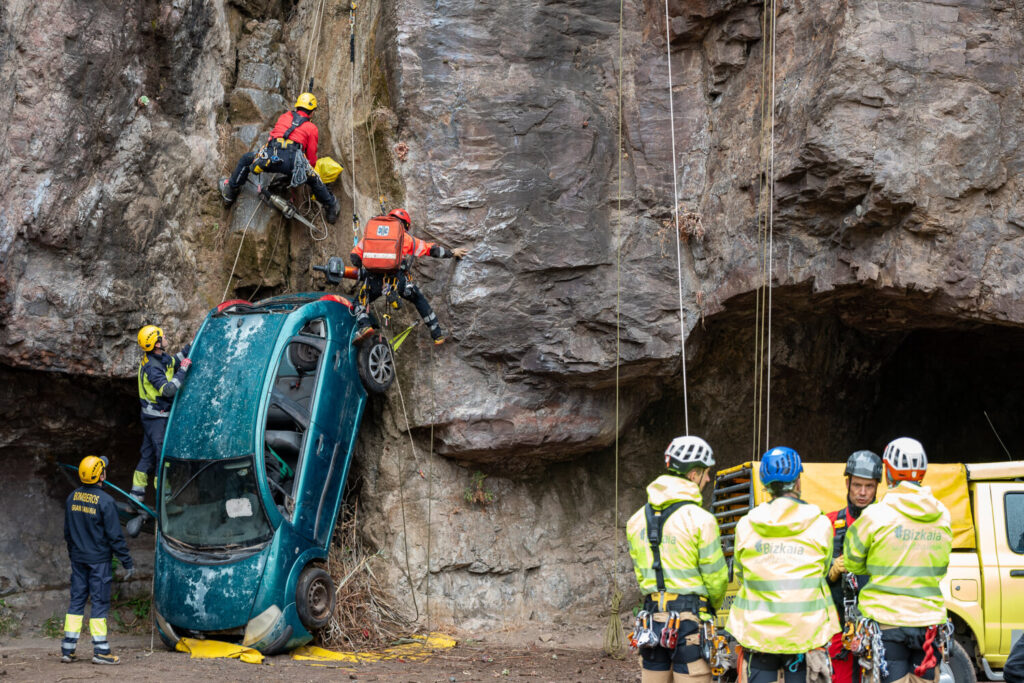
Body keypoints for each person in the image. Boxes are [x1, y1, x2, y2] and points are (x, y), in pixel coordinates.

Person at [844, 437, 953, 683]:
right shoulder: (942, 515)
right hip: (928, 625)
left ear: (888, 472)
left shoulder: (875, 515)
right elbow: (942, 566)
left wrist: (873, 567)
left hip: (888, 622)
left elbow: (851, 561)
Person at [726, 447, 838, 683]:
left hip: (759, 636)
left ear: (765, 485)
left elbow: (741, 573)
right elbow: (824, 569)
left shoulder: (746, 525)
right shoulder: (820, 524)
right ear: (798, 482)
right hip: (804, 636)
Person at [626, 435, 728, 683]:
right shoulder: (701, 520)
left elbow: (642, 574)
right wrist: (711, 607)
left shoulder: (636, 520)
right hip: (691, 622)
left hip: (651, 618)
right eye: (706, 473)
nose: (708, 479)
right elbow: (716, 578)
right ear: (693, 474)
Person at [349, 207, 467, 345]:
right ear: (404, 225)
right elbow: (431, 250)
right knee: (418, 299)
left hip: (374, 280)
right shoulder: (405, 237)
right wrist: (452, 252)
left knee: (359, 301)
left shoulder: (371, 235)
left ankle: (364, 326)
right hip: (398, 280)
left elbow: (355, 257)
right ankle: (437, 334)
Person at [220, 92, 340, 224]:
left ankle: (230, 192)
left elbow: (272, 138)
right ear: (311, 112)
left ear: (297, 107)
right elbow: (311, 158)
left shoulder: (284, 117)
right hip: (293, 162)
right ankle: (331, 206)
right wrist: (305, 171)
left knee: (246, 160)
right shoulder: (311, 128)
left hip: (272, 156)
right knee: (314, 179)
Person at [62, 456, 134, 665]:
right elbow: (115, 536)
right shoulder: (106, 501)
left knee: (76, 600)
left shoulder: (72, 497)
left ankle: (68, 649)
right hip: (99, 561)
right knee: (99, 603)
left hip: (78, 559)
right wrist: (126, 561)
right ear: (101, 475)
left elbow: (67, 532)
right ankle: (101, 651)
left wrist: (74, 553)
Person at [128, 324, 191, 536]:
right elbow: (169, 390)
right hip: (156, 419)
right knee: (161, 459)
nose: (165, 337)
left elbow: (174, 359)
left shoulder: (159, 357)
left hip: (151, 417)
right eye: (162, 336)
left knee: (146, 456)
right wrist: (183, 370)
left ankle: (135, 497)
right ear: (155, 344)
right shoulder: (152, 367)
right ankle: (165, 503)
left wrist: (193, 345)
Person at [826, 450, 883, 683]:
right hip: (840, 630)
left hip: (877, 627)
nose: (862, 493)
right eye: (857, 485)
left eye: (869, 486)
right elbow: (811, 577)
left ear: (877, 486)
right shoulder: (830, 523)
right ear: (847, 483)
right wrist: (830, 571)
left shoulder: (886, 524)